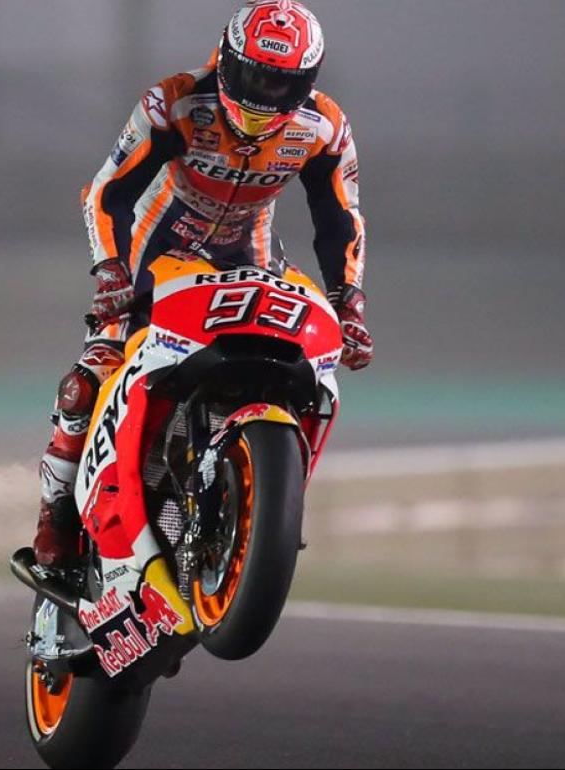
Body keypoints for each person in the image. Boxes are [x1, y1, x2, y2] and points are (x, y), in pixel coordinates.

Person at [33, 0, 372, 568]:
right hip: (153, 255)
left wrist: (350, 302)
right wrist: (110, 269)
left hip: (248, 254)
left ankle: (255, 500)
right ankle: (57, 510)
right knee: (90, 380)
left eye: (281, 83)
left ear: (307, 82)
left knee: (287, 366)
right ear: (226, 58)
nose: (264, 94)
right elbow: (107, 191)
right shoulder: (174, 101)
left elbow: (341, 218)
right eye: (254, 76)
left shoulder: (326, 127)